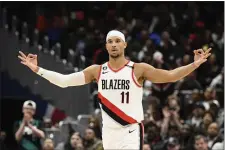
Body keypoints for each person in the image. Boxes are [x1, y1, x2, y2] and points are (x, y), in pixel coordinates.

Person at [18, 30, 212, 149]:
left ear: (124, 44)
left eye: (117, 40)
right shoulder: (97, 71)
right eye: (110, 41)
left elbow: (170, 76)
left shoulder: (138, 69)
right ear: (106, 46)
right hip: (109, 132)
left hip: (131, 130)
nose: (113, 44)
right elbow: (64, 81)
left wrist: (194, 65)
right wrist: (37, 69)